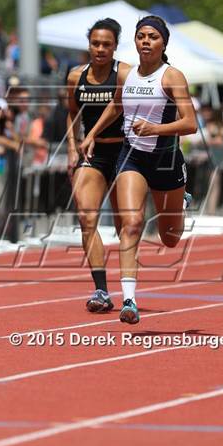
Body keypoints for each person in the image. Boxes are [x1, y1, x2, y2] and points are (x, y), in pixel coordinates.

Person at [81, 15, 197, 324]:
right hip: (131, 157)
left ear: (163, 44)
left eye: (153, 37)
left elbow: (191, 123)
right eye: (141, 36)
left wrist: (156, 128)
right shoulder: (126, 75)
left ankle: (181, 201)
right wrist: (91, 134)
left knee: (170, 237)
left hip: (165, 161)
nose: (146, 41)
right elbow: (117, 105)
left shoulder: (172, 77)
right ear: (135, 40)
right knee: (131, 223)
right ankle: (129, 299)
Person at [67, 18, 131, 313]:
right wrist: (71, 148)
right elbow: (72, 113)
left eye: (107, 44)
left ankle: (129, 289)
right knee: (86, 217)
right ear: (88, 44)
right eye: (95, 43)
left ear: (115, 46)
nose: (100, 49)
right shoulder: (75, 77)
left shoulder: (126, 74)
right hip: (91, 155)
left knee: (125, 226)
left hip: (124, 152)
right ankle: (101, 291)